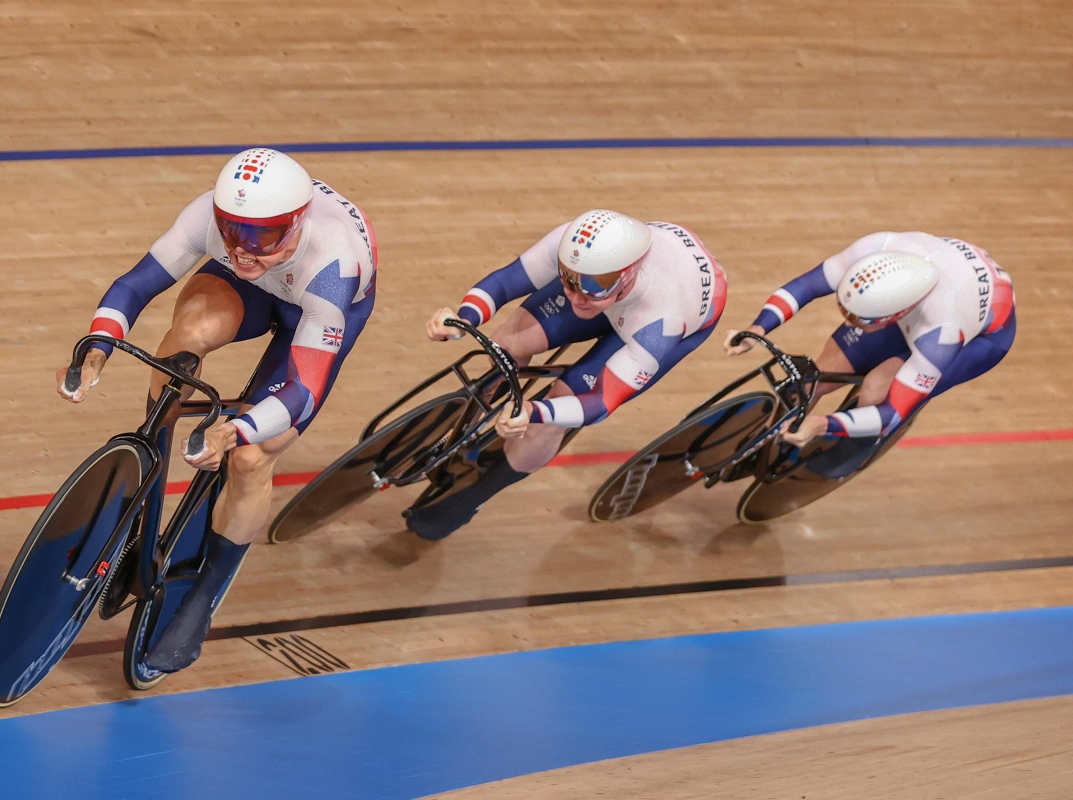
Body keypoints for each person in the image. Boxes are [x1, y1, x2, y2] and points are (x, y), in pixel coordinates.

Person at [56, 148, 378, 671]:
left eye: (263, 238)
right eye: (232, 232)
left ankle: (203, 597)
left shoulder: (333, 265)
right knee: (185, 338)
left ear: (296, 225)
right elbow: (134, 285)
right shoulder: (212, 219)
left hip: (313, 316)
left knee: (252, 458)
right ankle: (150, 480)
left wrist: (240, 430)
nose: (243, 250)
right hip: (252, 294)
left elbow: (304, 391)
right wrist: (97, 343)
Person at [414, 209, 728, 540]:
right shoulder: (575, 247)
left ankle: (477, 495)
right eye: (568, 279)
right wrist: (466, 318)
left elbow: (599, 402)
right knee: (509, 341)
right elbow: (507, 281)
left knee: (555, 415)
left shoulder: (662, 323)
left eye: (593, 286)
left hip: (664, 312)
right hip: (629, 293)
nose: (578, 298)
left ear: (628, 273)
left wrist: (536, 411)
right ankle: (463, 430)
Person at [725, 231, 1015, 449]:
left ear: (895, 314)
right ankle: (768, 441)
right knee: (816, 377)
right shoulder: (876, 249)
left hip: (981, 338)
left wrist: (822, 424)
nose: (850, 321)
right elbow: (806, 286)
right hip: (939, 277)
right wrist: (759, 327)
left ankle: (842, 455)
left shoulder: (942, 334)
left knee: (876, 391)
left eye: (859, 318)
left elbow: (889, 414)